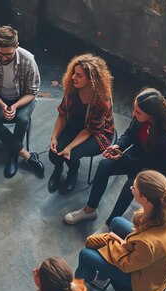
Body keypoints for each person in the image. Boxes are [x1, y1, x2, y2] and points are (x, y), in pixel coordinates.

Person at [64, 87, 166, 231]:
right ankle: (90, 209)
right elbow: (129, 134)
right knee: (104, 166)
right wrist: (118, 146)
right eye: (134, 110)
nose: (133, 114)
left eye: (138, 112)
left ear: (152, 116)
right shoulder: (140, 118)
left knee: (130, 185)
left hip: (155, 169)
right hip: (138, 156)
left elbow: (156, 164)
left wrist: (126, 158)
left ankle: (110, 224)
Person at [75, 170, 166, 291]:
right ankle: (102, 278)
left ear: (144, 199)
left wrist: (108, 241)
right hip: (159, 260)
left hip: (145, 281)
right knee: (116, 221)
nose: (131, 188)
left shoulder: (149, 243)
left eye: (134, 187)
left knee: (86, 254)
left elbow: (127, 264)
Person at [0, 25, 44, 178]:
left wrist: (15, 105)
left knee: (22, 119)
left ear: (16, 46)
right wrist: (2, 105)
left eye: (8, 54)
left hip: (22, 98)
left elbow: (32, 92)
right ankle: (24, 154)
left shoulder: (28, 60)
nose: (3, 58)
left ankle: (12, 156)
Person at [48, 53, 114, 194]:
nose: (73, 78)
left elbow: (90, 130)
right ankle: (58, 170)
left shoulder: (101, 100)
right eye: (74, 73)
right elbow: (63, 114)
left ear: (91, 80)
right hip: (75, 124)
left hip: (97, 132)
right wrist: (54, 137)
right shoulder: (71, 89)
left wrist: (69, 147)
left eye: (79, 75)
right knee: (53, 154)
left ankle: (73, 172)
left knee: (72, 154)